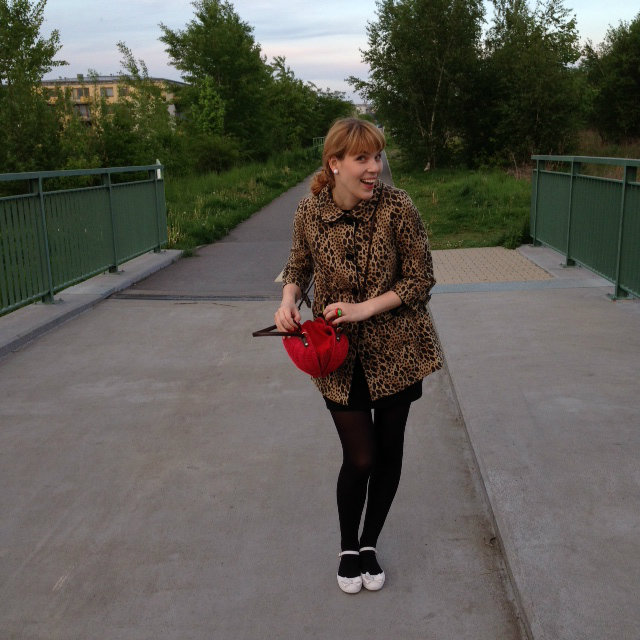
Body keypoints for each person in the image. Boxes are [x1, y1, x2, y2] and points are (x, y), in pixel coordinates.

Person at [275, 117, 443, 594]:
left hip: (398, 351)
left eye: (377, 157)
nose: (375, 168)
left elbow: (420, 278)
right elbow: (297, 265)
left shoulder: (398, 206)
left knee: (389, 454)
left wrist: (365, 308)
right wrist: (287, 301)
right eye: (362, 159)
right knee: (361, 457)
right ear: (335, 164)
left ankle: (369, 544)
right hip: (338, 357)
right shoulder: (310, 211)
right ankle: (348, 545)